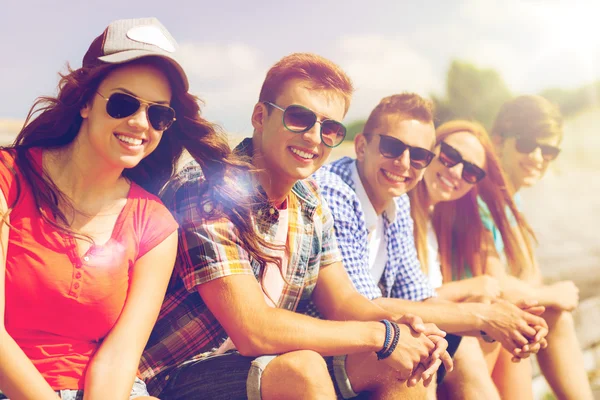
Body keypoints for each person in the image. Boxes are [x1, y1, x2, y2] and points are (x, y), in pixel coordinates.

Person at [141, 53, 452, 400]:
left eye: (330, 128)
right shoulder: (210, 191)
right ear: (261, 116)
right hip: (176, 375)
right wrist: (381, 336)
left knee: (405, 362)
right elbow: (253, 329)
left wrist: (402, 328)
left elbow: (343, 301)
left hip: (257, 365)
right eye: (299, 118)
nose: (314, 137)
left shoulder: (309, 200)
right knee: (303, 368)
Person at [0, 17, 231, 400]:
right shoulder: (8, 179)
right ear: (86, 102)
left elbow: (120, 357)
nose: (140, 124)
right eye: (124, 103)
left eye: (159, 114)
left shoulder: (155, 224)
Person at [313, 95, 548, 400]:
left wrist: (507, 321)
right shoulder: (336, 191)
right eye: (392, 147)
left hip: (361, 338)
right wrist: (482, 316)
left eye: (419, 156)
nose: (404, 163)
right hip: (317, 343)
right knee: (415, 354)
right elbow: (359, 306)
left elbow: (418, 296)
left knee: (454, 346)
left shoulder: (397, 202)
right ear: (361, 146)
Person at [486, 96, 594, 400]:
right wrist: (552, 294)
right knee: (540, 318)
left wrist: (541, 296)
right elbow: (492, 281)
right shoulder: (482, 194)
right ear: (498, 142)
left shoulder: (511, 198)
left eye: (548, 150)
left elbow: (528, 270)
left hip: (489, 314)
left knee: (549, 317)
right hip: (463, 316)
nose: (537, 157)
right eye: (526, 145)